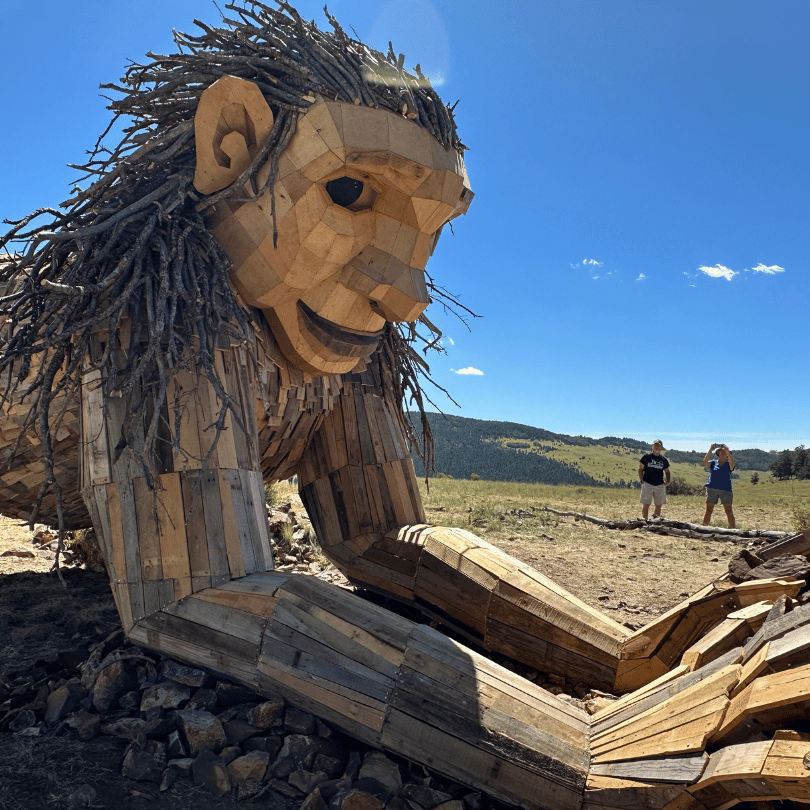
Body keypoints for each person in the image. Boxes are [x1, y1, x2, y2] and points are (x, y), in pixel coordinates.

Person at [703, 443, 736, 527]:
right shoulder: (714, 463)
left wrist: (728, 451)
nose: (722, 452)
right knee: (708, 510)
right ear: (718, 453)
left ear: (728, 454)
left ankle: (733, 529)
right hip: (712, 488)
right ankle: (704, 527)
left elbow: (732, 466)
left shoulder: (729, 464)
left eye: (724, 451)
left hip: (725, 489)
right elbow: (705, 463)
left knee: (729, 511)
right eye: (721, 451)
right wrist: (710, 449)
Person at [638, 439, 671, 520]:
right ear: (652, 446)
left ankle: (656, 522)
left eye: (658, 446)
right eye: (655, 445)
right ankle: (645, 521)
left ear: (661, 448)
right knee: (646, 505)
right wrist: (642, 480)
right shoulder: (646, 457)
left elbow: (667, 471)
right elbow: (640, 469)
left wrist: (668, 481)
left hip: (660, 485)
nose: (656, 447)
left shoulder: (663, 460)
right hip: (647, 484)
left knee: (658, 505)